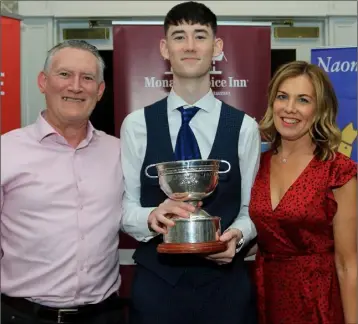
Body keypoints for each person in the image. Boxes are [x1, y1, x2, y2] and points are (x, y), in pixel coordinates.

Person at [120, 2, 260, 324]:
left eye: (200, 36)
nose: (190, 46)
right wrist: (153, 216)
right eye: (179, 36)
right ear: (164, 48)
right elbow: (125, 208)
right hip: (157, 286)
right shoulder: (136, 124)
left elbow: (251, 210)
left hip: (226, 287)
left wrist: (236, 238)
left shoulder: (244, 126)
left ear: (217, 47)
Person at [1, 40, 124, 324]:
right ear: (43, 82)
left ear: (100, 91)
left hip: (104, 315)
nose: (76, 87)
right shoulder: (5, 151)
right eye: (65, 74)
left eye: (88, 78)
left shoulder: (118, 152)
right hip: (23, 315)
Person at [249, 61, 357, 324]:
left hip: (318, 302)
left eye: (303, 100)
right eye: (282, 96)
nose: (289, 108)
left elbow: (348, 264)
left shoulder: (338, 170)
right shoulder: (255, 165)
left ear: (319, 109)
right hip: (265, 297)